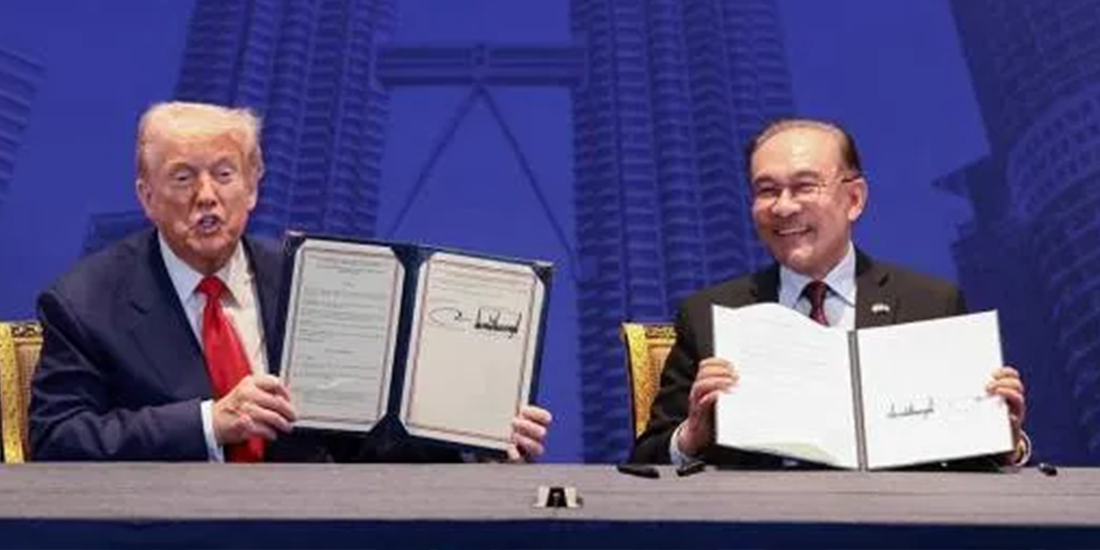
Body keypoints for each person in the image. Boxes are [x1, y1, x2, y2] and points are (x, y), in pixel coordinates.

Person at [29, 101, 551, 462]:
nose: (206, 195)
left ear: (253, 187)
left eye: (224, 174)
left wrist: (481, 445)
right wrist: (209, 423)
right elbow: (57, 437)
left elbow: (368, 440)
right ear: (147, 196)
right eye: (183, 177)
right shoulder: (83, 303)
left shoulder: (316, 280)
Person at [631, 118, 1028, 469]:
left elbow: (969, 459)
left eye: (804, 186)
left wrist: (1004, 441)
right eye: (766, 191)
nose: (783, 207)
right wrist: (692, 436)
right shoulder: (710, 314)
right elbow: (647, 460)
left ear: (854, 199)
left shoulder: (931, 303)